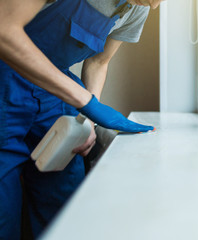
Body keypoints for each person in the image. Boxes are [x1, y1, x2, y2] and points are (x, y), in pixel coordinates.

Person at [0, 0, 163, 238]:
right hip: (4, 82)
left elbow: (99, 62)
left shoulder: (137, 8)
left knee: (63, 201)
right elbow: (5, 29)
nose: (155, 5)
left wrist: (89, 118)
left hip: (55, 95)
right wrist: (86, 102)